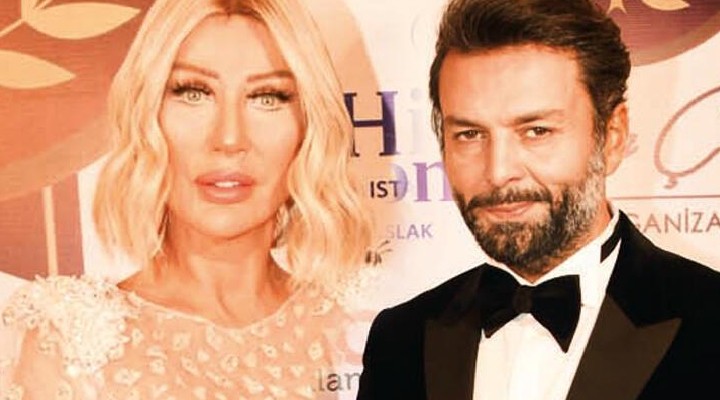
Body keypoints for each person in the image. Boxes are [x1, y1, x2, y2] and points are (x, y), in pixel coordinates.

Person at [0, 0, 372, 398]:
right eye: (193, 93)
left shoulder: (364, 323)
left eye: (267, 97)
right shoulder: (71, 342)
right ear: (147, 113)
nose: (229, 138)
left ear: (309, 125)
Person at [357, 0, 720, 399]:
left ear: (612, 137)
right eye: (470, 135)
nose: (498, 171)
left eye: (536, 131)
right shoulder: (400, 340)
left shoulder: (710, 325)